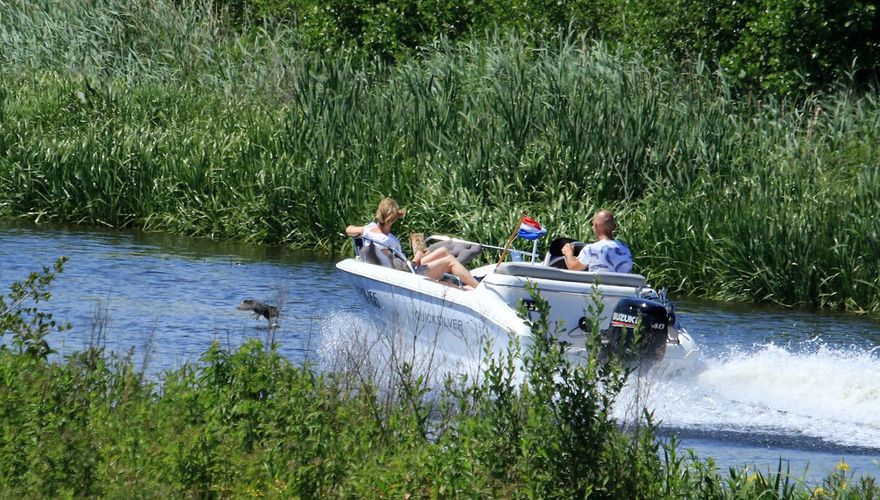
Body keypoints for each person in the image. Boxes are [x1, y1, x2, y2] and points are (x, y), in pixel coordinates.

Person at [346, 198, 480, 288]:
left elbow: (349, 229)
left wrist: (362, 231)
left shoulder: (369, 229)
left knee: (443, 252)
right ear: (393, 218)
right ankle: (477, 288)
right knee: (450, 260)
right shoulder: (387, 241)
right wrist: (419, 253)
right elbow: (406, 267)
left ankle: (455, 279)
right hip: (406, 275)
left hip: (400, 267)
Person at [561, 210, 633, 273]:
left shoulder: (591, 250)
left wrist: (568, 254)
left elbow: (573, 268)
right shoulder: (625, 249)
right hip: (620, 288)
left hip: (598, 288)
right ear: (614, 227)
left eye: (592, 224)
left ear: (595, 226)